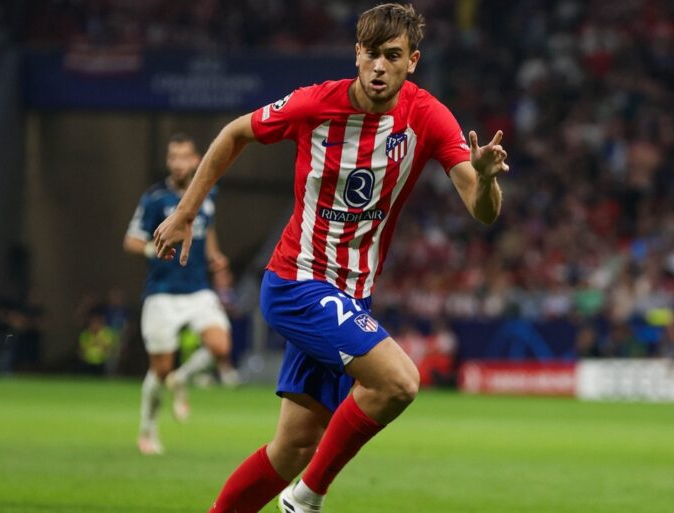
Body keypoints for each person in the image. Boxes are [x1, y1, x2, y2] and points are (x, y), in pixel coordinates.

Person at [153, 4, 509, 512]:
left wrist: (487, 180)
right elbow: (235, 133)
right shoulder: (315, 104)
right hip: (296, 283)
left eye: (393, 55)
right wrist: (187, 212)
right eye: (372, 54)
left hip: (350, 297)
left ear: (412, 61)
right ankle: (306, 499)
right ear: (357, 53)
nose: (380, 66)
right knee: (399, 381)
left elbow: (482, 210)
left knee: (294, 447)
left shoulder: (427, 116)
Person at [124, 133, 242, 455]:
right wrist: (153, 248)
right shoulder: (155, 198)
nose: (177, 163)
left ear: (195, 160)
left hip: (198, 289)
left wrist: (215, 257)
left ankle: (182, 378)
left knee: (221, 346)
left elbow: (207, 228)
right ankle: (147, 429)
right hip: (162, 293)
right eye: (172, 157)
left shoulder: (207, 192)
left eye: (184, 157)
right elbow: (131, 240)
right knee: (159, 369)